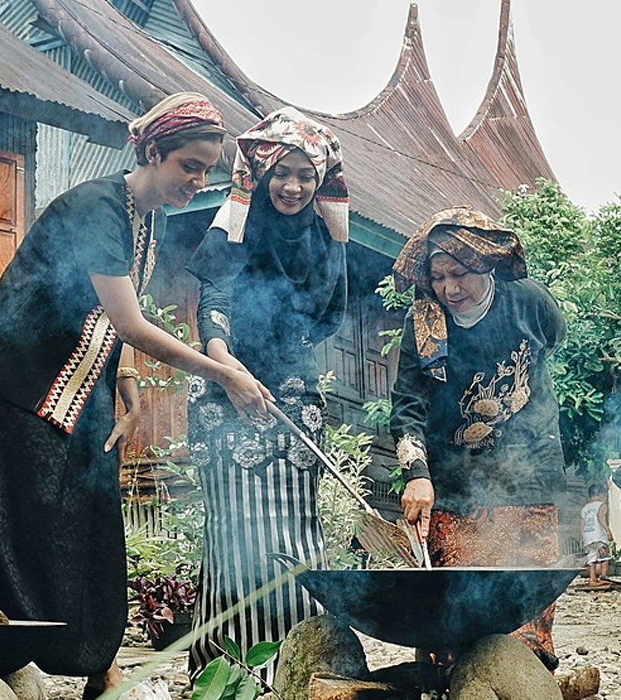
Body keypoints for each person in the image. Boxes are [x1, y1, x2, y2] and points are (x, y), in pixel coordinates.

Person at [0, 92, 272, 697]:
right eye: (189, 166)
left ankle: (97, 663)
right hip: (19, 377)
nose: (197, 180)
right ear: (153, 151)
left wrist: (128, 393)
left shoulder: (144, 215)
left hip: (83, 382)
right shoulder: (98, 206)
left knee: (93, 514)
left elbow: (110, 318)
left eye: (207, 169)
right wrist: (222, 372)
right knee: (21, 517)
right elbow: (130, 322)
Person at [182, 106, 349, 684]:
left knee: (296, 529)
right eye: (282, 172)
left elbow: (328, 317)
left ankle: (302, 666)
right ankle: (226, 673)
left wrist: (287, 359)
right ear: (262, 173)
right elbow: (214, 304)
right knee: (233, 532)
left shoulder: (328, 242)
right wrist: (227, 365)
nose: (294, 186)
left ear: (321, 180)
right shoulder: (238, 226)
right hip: (224, 395)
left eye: (306, 174)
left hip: (295, 402)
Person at [389, 206, 567, 670]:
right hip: (454, 481)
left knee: (522, 604)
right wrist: (416, 474)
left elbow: (554, 339)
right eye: (440, 276)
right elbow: (408, 405)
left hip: (530, 473)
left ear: (485, 262)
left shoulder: (529, 300)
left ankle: (524, 680)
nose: (450, 288)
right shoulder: (423, 324)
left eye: (461, 273)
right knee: (451, 619)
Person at [580, 482, 613, 587]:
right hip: (598, 535)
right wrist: (607, 530)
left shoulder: (585, 508)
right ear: (601, 494)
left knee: (592, 557)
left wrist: (581, 538)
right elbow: (600, 517)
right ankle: (603, 576)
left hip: (587, 535)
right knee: (604, 556)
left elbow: (582, 524)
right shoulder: (602, 505)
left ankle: (592, 578)